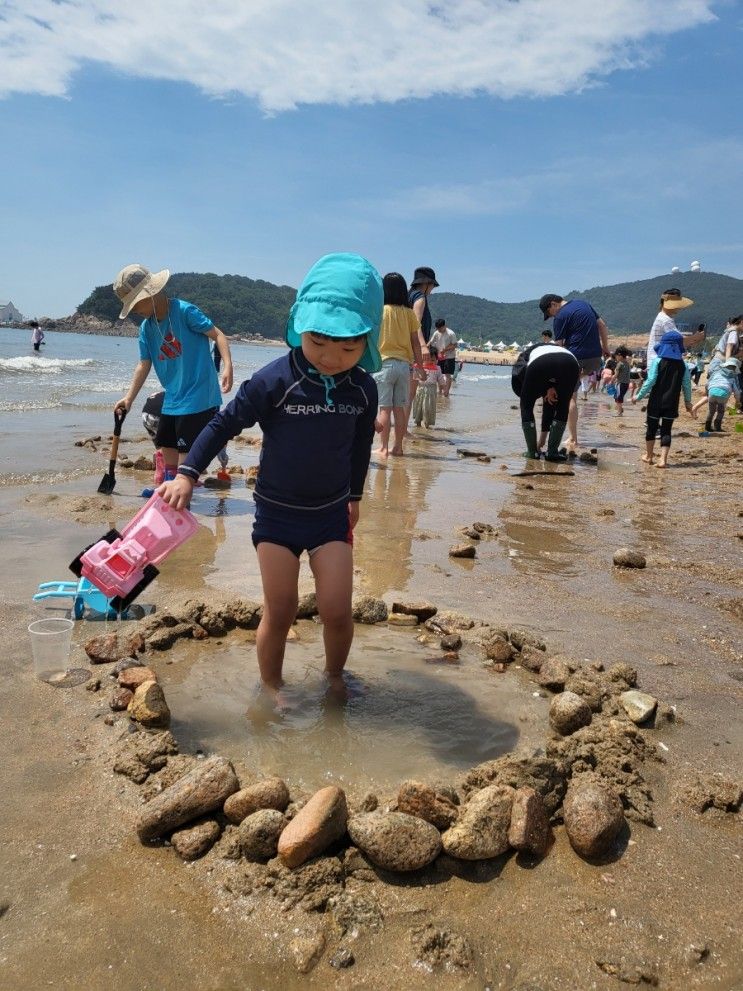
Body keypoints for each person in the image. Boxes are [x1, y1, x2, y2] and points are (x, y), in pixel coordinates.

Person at [158, 253, 381, 698]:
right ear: (300, 327)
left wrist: (355, 495)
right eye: (319, 342)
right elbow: (222, 424)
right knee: (279, 611)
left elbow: (359, 447)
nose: (332, 357)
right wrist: (186, 473)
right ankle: (272, 689)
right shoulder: (275, 380)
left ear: (367, 341)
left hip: (330, 515)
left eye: (349, 347)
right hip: (277, 518)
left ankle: (335, 677)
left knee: (337, 610)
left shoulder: (363, 388)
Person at [113, 264, 233, 487]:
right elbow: (143, 364)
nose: (135, 310)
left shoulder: (184, 312)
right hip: (173, 397)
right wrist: (128, 398)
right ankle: (168, 492)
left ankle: (179, 499)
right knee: (166, 443)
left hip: (198, 395)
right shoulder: (146, 329)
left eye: (136, 303)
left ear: (152, 292)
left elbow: (218, 335)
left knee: (185, 452)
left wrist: (227, 366)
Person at [538, 292, 610, 452]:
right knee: (573, 386)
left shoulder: (560, 317)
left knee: (570, 398)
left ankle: (573, 439)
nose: (551, 317)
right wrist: (605, 348)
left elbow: (558, 347)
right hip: (595, 359)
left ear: (552, 305)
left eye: (549, 313)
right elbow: (603, 326)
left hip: (576, 359)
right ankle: (571, 435)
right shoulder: (584, 304)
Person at [373, 272, 424, 460]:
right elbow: (415, 343)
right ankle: (398, 448)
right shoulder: (409, 313)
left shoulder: (380, 311)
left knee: (384, 409)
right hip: (404, 366)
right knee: (399, 409)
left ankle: (383, 448)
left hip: (383, 364)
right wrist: (420, 365)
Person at [632, 329, 693, 468]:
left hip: (655, 402)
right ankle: (663, 460)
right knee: (666, 430)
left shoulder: (658, 361)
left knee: (651, 429)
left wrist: (639, 396)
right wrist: (688, 402)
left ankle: (649, 456)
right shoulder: (682, 365)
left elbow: (651, 380)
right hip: (672, 403)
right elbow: (687, 385)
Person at [511, 342, 580, 461]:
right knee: (563, 406)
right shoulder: (550, 348)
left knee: (526, 406)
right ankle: (552, 452)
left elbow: (519, 371)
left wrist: (529, 394)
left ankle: (532, 452)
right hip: (571, 362)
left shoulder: (523, 356)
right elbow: (549, 406)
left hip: (540, 363)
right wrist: (549, 386)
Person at [405, 266, 439, 430]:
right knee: (409, 395)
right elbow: (415, 324)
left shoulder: (407, 296)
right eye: (432, 285)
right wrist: (424, 346)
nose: (432, 289)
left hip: (402, 348)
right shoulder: (420, 298)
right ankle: (403, 431)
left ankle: (400, 431)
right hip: (413, 349)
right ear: (426, 283)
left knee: (402, 394)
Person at [646, 291, 705, 364]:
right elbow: (678, 341)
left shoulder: (663, 318)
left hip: (660, 363)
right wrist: (695, 337)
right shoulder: (665, 320)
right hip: (661, 363)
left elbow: (679, 342)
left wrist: (694, 339)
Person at [691, 357, 741, 431]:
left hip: (712, 392)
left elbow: (708, 384)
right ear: (735, 369)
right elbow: (737, 392)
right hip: (723, 394)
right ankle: (717, 427)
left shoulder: (716, 373)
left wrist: (707, 393)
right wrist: (737, 401)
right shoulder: (733, 378)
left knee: (711, 411)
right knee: (720, 411)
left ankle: (707, 427)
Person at [412, 348, 444, 427]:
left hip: (431, 391)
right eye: (428, 359)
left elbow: (441, 380)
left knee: (428, 408)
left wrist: (442, 388)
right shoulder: (419, 367)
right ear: (423, 358)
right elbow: (414, 378)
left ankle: (427, 424)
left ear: (436, 360)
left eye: (433, 360)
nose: (430, 362)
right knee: (418, 406)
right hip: (419, 389)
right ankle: (418, 423)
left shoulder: (437, 368)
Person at [429, 318, 457, 397]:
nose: (439, 330)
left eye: (440, 328)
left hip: (449, 356)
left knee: (448, 375)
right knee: (439, 373)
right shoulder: (436, 333)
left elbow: (455, 345)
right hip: (439, 356)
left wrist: (444, 350)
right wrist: (425, 348)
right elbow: (430, 342)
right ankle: (440, 391)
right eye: (437, 328)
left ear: (444, 326)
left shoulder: (451, 333)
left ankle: (446, 392)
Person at [611, 348, 631, 416]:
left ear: (620, 356)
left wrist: (611, 381)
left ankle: (619, 413)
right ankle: (620, 409)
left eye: (616, 356)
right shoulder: (627, 364)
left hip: (620, 384)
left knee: (618, 398)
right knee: (619, 397)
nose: (615, 357)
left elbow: (616, 375)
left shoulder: (619, 364)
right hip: (626, 384)